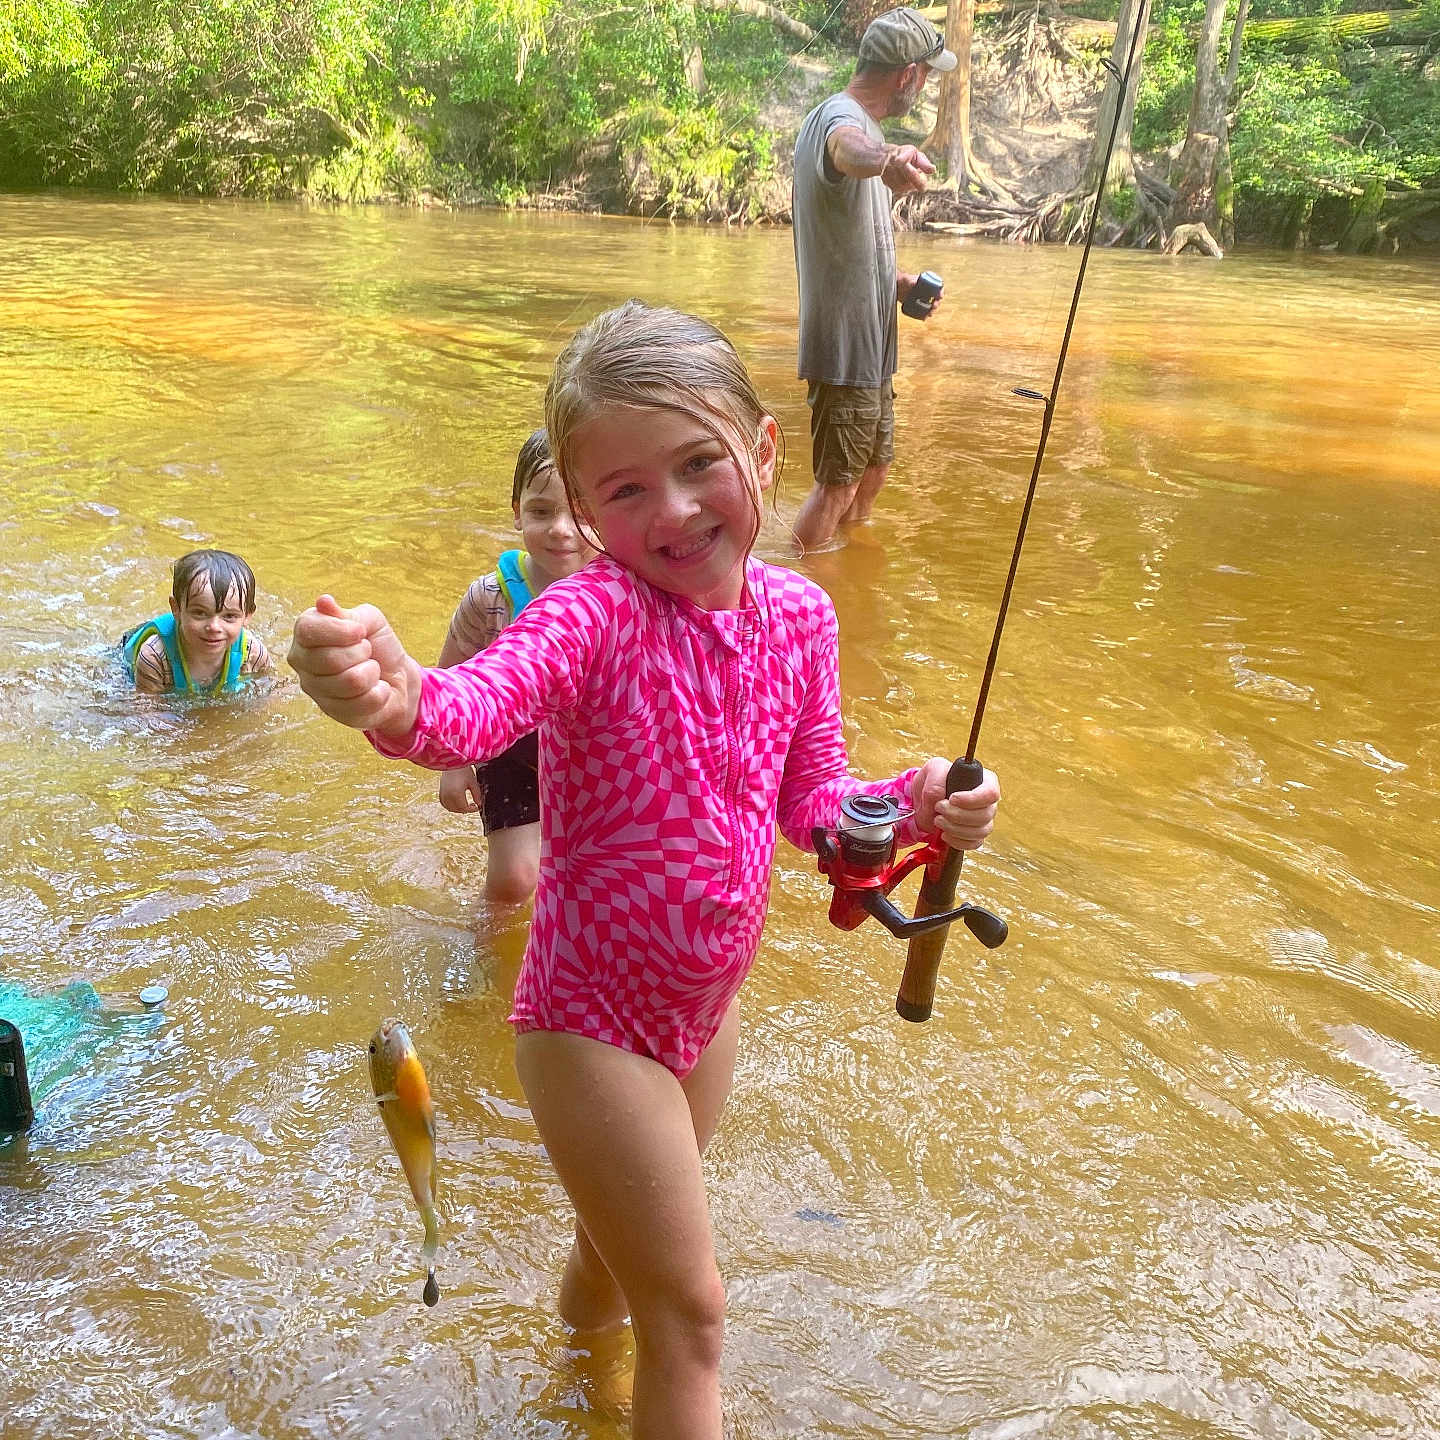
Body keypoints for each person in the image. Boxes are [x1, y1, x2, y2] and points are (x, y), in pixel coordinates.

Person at [288, 301, 1001, 1437]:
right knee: (694, 1317)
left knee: (615, 1267)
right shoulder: (591, 615)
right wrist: (395, 692)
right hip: (588, 1018)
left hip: (703, 1012)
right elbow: (470, 709)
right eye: (624, 489)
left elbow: (814, 802)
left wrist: (907, 806)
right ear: (582, 511)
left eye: (697, 464)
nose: (670, 509)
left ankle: (570, 1396)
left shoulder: (801, 617)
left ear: (763, 449)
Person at [791, 5, 955, 552]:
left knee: (872, 472)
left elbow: (852, 242)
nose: (925, 85)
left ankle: (850, 579)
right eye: (926, 73)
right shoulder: (842, 119)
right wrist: (887, 160)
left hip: (872, 341)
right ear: (907, 75)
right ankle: (801, 581)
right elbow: (846, 149)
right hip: (844, 346)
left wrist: (898, 285)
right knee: (836, 486)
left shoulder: (864, 124)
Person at [435, 429, 591, 906]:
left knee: (589, 876)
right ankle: (486, 939)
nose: (561, 529)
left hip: (595, 759)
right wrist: (454, 764)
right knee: (515, 881)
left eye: (581, 514)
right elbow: (450, 682)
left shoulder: (624, 592)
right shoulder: (490, 598)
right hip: (510, 753)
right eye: (542, 511)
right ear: (517, 510)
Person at [120, 548, 273, 695]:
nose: (214, 627)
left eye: (229, 616)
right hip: (126, 664)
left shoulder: (253, 653)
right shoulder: (155, 656)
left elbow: (269, 694)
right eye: (200, 613)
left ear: (247, 616)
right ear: (176, 608)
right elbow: (147, 708)